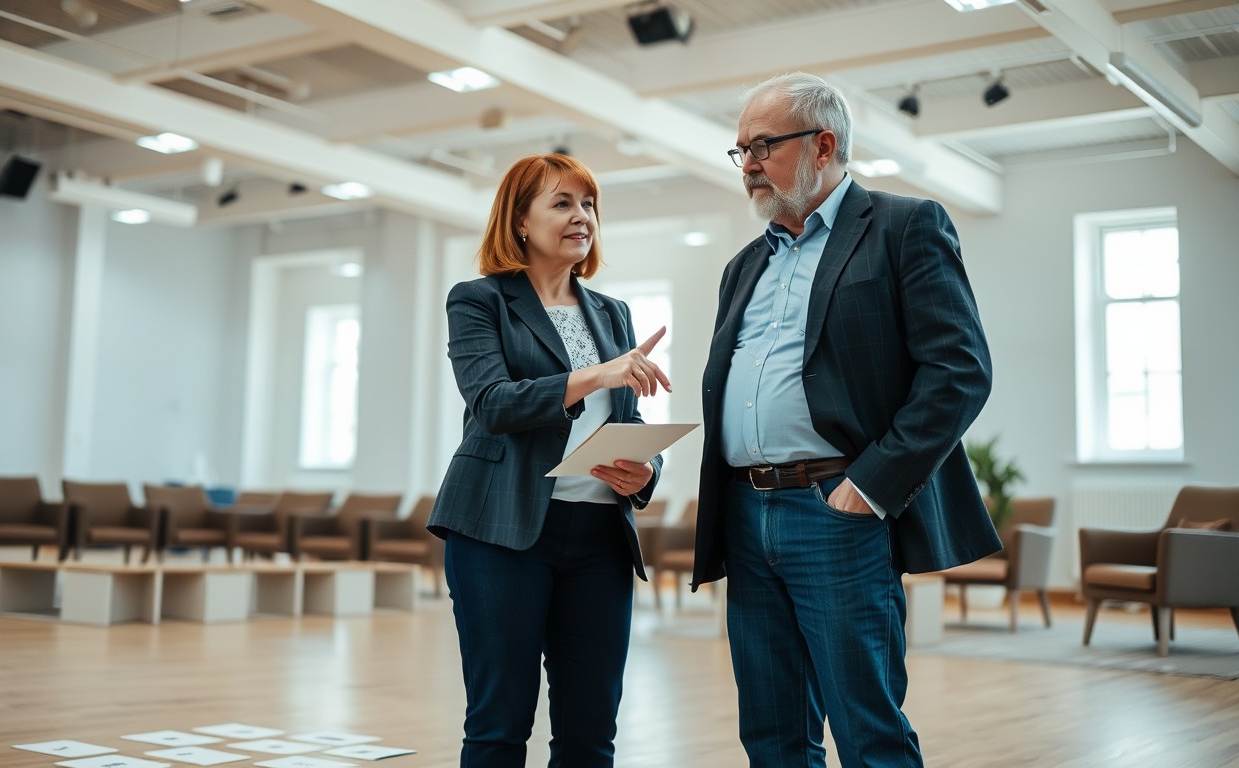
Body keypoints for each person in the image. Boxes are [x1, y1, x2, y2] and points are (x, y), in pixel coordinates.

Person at [690, 72, 1002, 767]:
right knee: (771, 735)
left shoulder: (903, 227)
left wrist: (870, 487)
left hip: (836, 511)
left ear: (823, 144)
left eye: (762, 147)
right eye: (739, 150)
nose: (747, 166)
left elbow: (959, 370)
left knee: (868, 731)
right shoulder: (744, 266)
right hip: (747, 513)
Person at [427, 153, 670, 768]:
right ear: (519, 222)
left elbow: (628, 422)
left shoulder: (610, 312)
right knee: (499, 726)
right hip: (499, 533)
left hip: (599, 538)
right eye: (561, 203)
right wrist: (596, 374)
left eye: (587, 204)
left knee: (591, 733)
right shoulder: (479, 301)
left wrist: (644, 474)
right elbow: (493, 404)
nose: (581, 216)